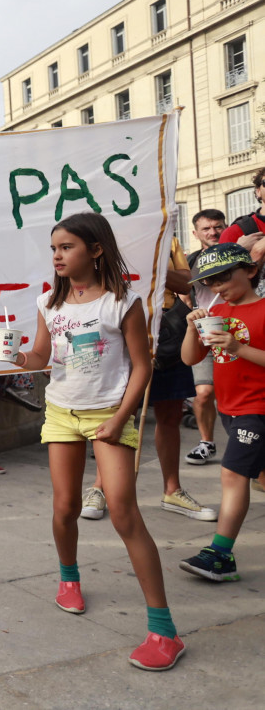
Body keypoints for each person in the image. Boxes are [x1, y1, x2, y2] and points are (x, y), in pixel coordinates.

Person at [4, 211, 184, 671]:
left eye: (67, 247)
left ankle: (164, 631)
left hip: (111, 413)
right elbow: (41, 356)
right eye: (54, 248)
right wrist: (16, 354)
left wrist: (119, 418)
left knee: (123, 511)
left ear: (96, 249)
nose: (57, 255)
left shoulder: (123, 301)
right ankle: (68, 580)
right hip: (62, 411)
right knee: (64, 507)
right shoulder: (50, 302)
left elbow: (142, 366)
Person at [79, 237, 215, 521]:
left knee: (169, 413)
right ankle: (99, 488)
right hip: (115, 327)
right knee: (112, 410)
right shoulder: (97, 238)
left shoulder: (167, 237)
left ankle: (172, 489)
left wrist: (153, 268)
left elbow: (185, 284)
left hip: (165, 331)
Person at [179, 243, 265, 582]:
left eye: (224, 276)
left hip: (256, 409)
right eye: (211, 282)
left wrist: (238, 347)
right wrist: (190, 327)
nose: (218, 286)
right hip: (229, 409)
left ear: (251, 271)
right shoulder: (219, 314)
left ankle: (220, 554)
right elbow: (190, 359)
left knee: (232, 474)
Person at [185, 209, 227, 464]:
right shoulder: (190, 261)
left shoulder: (236, 255)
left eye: (218, 226)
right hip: (204, 332)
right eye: (206, 228)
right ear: (196, 233)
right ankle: (206, 442)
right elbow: (184, 291)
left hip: (238, 328)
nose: (213, 232)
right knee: (202, 393)